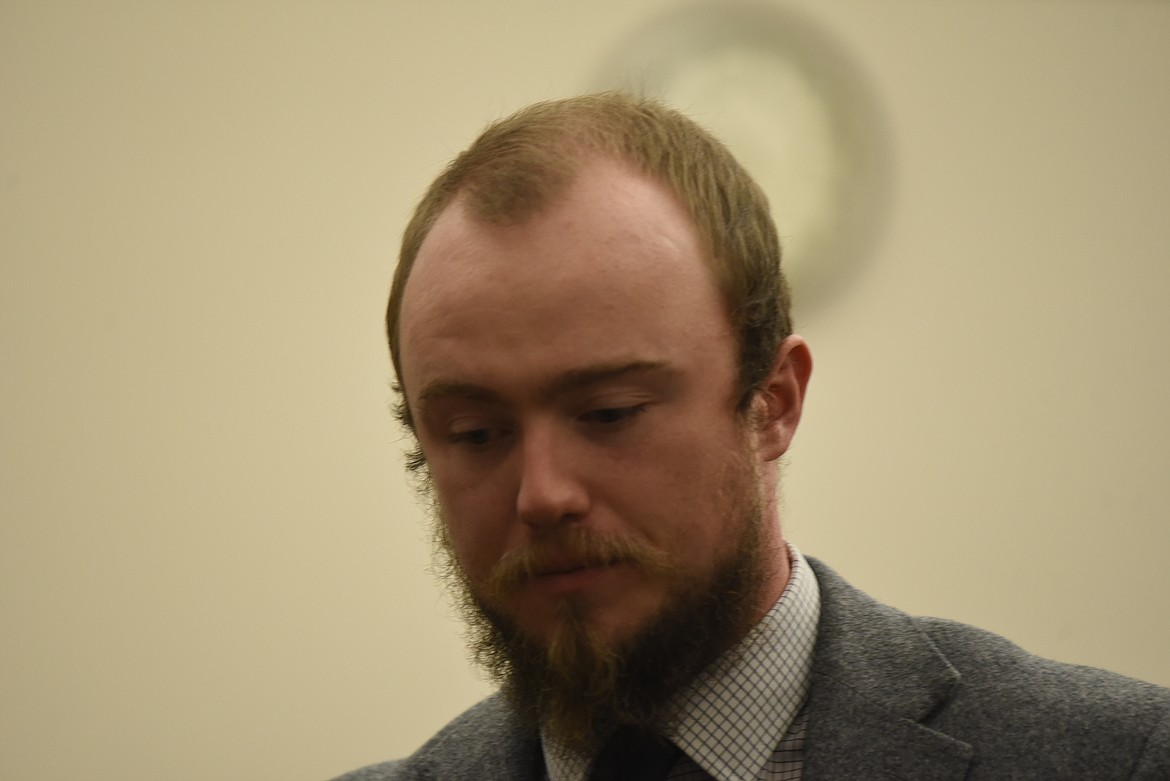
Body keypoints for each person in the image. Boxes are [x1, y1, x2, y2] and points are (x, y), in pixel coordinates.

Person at [333, 93, 1170, 780]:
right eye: (477, 433)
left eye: (609, 413)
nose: (543, 492)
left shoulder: (1120, 758)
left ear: (771, 401)